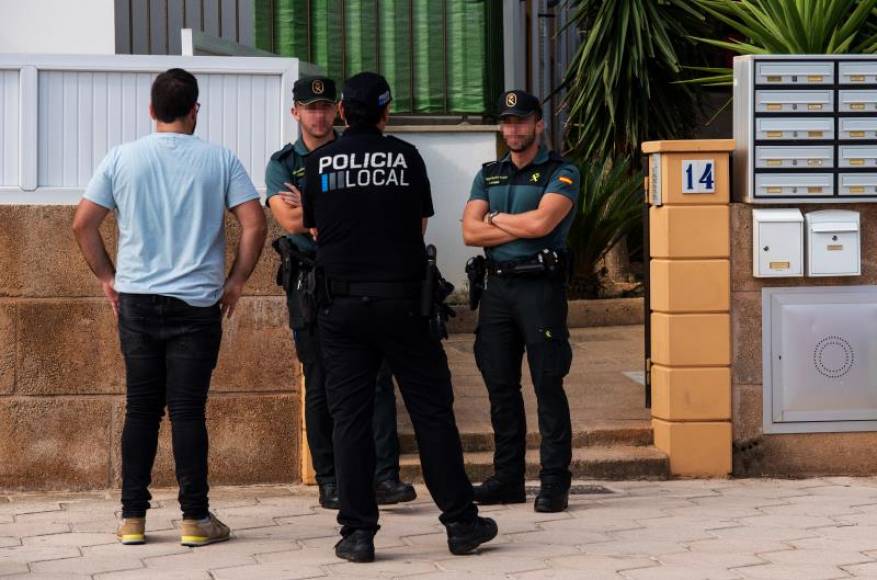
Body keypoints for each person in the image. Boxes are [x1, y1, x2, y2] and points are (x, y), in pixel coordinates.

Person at [301, 71, 497, 563]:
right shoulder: (406, 157)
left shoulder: (319, 162)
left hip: (341, 308)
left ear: (341, 112)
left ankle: (357, 533)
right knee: (432, 413)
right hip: (404, 305)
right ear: (386, 113)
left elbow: (315, 228)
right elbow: (420, 223)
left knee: (350, 419)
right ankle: (460, 523)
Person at [72, 68, 267, 547]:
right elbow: (255, 223)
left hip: (137, 300)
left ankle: (132, 518)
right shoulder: (220, 159)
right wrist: (237, 281)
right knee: (187, 411)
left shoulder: (122, 157)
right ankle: (195, 519)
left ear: (151, 109)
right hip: (198, 304)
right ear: (195, 110)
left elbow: (83, 224)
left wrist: (108, 278)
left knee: (141, 409)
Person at [265, 75, 416, 509]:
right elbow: (291, 223)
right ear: (295, 112)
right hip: (311, 282)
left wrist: (314, 210)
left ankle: (383, 476)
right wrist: (335, 213)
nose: (319, 116)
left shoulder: (355, 153)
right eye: (310, 109)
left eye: (326, 107)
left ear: (339, 110)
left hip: (359, 276)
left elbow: (352, 215)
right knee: (320, 380)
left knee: (378, 378)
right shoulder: (283, 164)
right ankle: (329, 478)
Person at [461, 89, 580, 513]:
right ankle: (508, 478)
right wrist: (517, 225)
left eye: (521, 121)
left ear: (538, 124)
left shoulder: (560, 171)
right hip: (497, 289)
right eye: (507, 122)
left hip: (539, 288)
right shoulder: (488, 174)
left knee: (547, 383)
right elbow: (469, 233)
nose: (513, 129)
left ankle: (554, 481)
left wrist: (494, 219)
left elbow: (543, 223)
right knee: (500, 386)